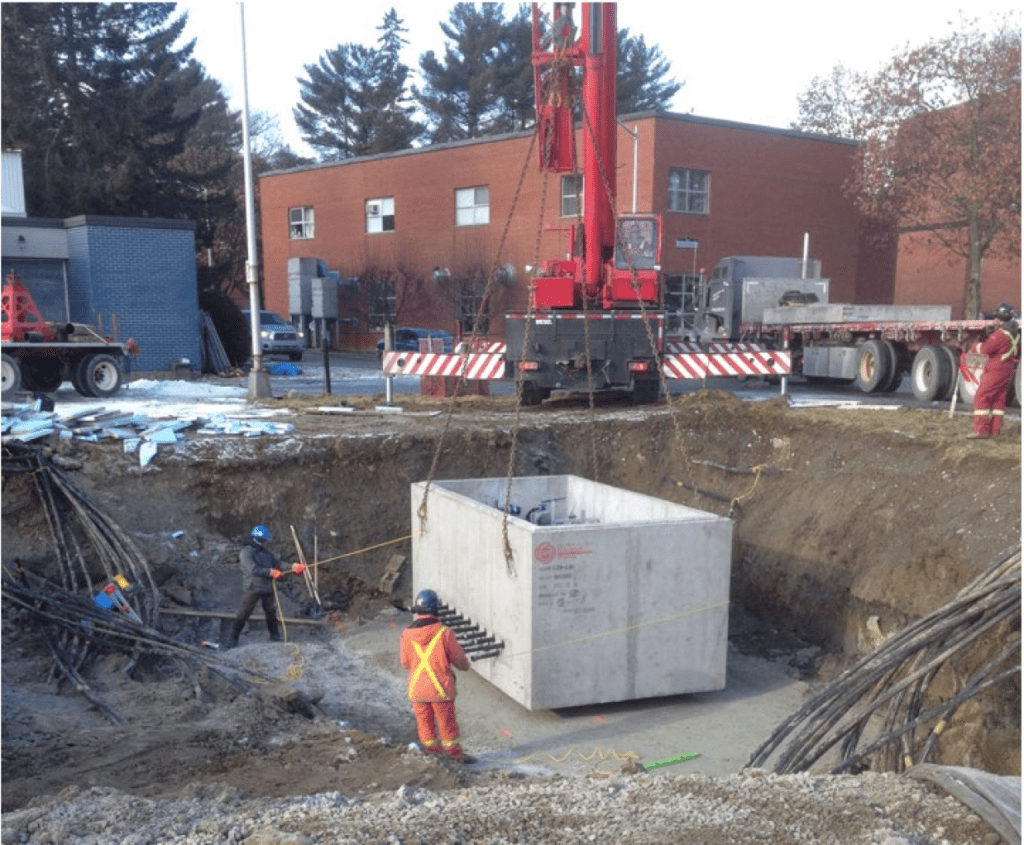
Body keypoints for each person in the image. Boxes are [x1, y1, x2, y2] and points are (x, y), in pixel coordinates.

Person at [399, 589, 473, 763]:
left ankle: (433, 758)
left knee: (425, 728)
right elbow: (460, 662)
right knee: (447, 728)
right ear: (436, 609)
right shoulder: (444, 633)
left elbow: (404, 662)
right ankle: (454, 758)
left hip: (417, 689)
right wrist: (465, 666)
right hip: (440, 689)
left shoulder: (406, 634)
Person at [225, 525, 306, 648]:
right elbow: (253, 569)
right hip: (252, 588)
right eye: (265, 541)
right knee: (244, 613)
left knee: (271, 612)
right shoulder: (246, 553)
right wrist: (270, 572)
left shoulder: (267, 553)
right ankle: (232, 639)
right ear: (257, 540)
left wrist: (293, 566)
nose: (267, 543)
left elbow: (278, 563)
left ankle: (274, 636)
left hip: (267, 588)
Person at [969, 302, 1020, 438]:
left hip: (996, 370)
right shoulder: (1016, 335)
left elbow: (985, 349)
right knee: (999, 400)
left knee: (982, 397)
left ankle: (980, 431)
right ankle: (995, 431)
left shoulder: (999, 335)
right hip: (1007, 369)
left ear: (999, 319)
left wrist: (973, 346)